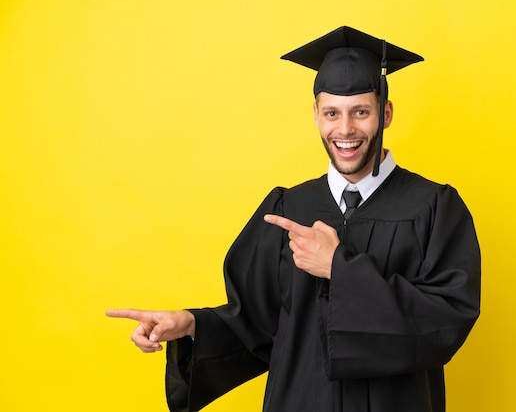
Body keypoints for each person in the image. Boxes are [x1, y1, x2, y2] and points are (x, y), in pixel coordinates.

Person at [107, 26, 481, 412]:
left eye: (361, 112)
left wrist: (340, 268)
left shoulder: (434, 207)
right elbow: (256, 324)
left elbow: (446, 321)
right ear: (316, 115)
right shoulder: (290, 207)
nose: (345, 129)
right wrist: (191, 324)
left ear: (385, 114)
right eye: (332, 113)